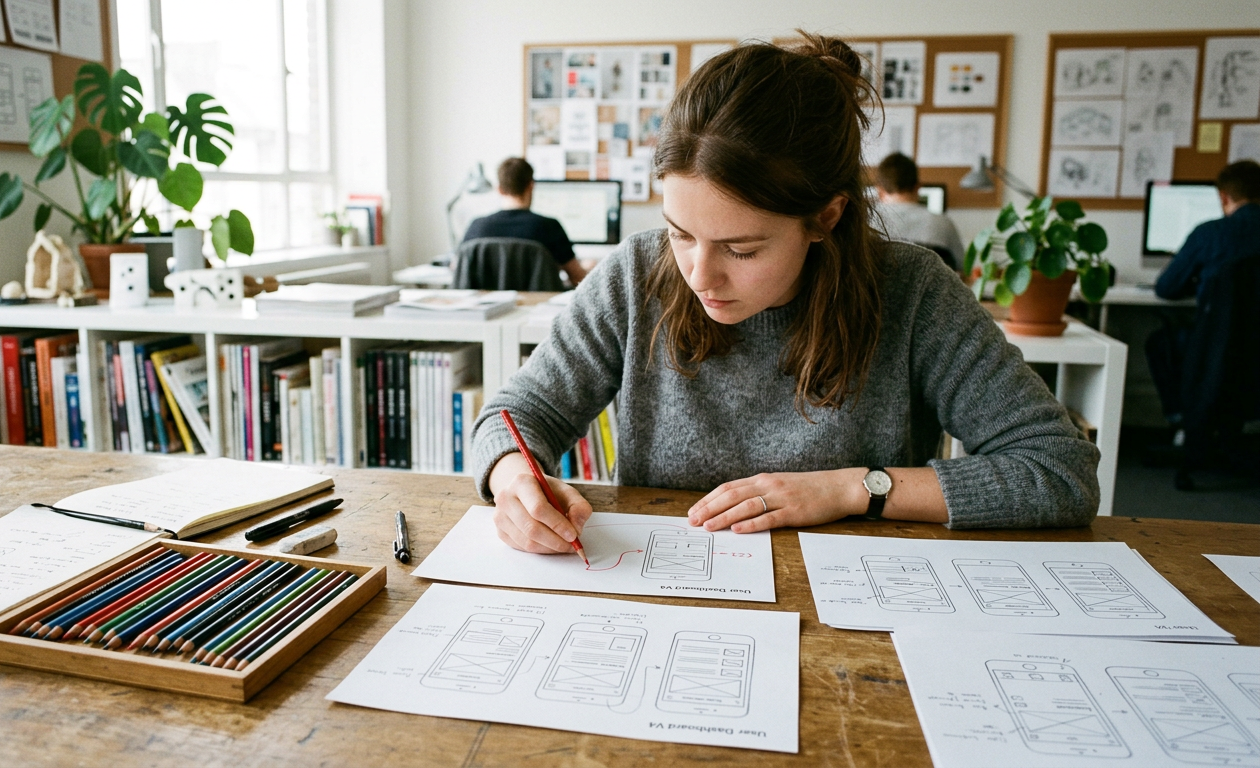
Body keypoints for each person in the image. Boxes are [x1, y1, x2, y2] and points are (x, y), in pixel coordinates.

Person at [469, 36, 1100, 556]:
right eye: (680, 233)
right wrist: (513, 477)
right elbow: (512, 419)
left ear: (825, 218)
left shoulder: (914, 292)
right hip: (665, 597)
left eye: (741, 249)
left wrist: (857, 489)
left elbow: (1061, 472)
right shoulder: (637, 272)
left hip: (856, 622)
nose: (699, 275)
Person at [1148, 160, 1260, 427]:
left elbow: (1166, 288)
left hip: (1216, 348)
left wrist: (1199, 282)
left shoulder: (1209, 233)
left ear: (1223, 196)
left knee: (1159, 343)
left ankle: (1183, 422)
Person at [462, 157, 590, 285]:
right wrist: (590, 268)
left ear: (499, 189)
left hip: (487, 304)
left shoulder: (477, 226)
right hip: (538, 304)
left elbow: (457, 269)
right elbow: (577, 278)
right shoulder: (549, 227)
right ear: (531, 186)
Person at [871, 152, 963, 270]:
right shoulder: (943, 223)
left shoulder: (864, 221)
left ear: (880, 190)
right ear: (918, 187)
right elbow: (961, 268)